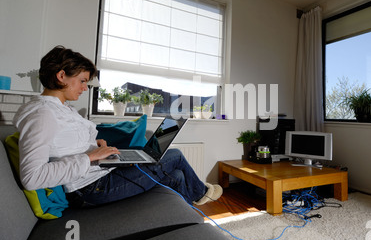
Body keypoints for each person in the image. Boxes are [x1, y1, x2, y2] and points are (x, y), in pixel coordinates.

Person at [13, 45, 222, 208]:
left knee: (175, 176)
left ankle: (189, 221)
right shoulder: (42, 115)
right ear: (61, 76)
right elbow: (32, 177)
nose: (85, 88)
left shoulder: (60, 108)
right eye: (82, 81)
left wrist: (93, 146)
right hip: (89, 189)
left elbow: (62, 144)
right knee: (174, 155)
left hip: (98, 175)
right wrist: (90, 157)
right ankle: (201, 193)